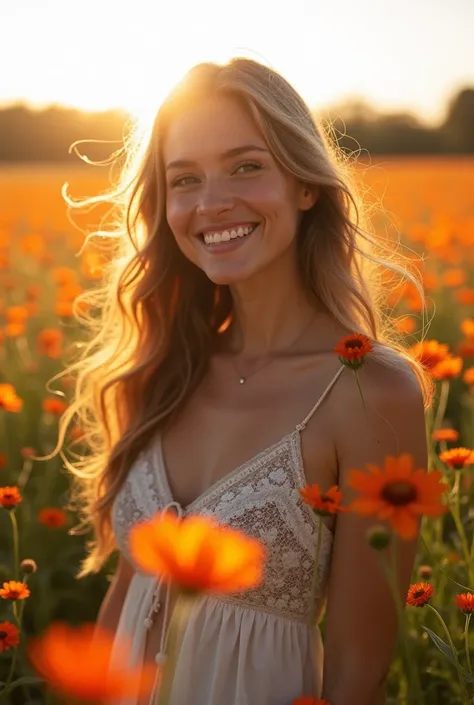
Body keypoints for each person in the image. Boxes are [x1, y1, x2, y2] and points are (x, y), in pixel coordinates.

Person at [58, 57, 431, 705]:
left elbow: (355, 675)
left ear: (305, 185)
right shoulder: (162, 368)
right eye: (185, 180)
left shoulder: (371, 392)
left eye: (246, 166)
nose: (210, 203)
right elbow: (125, 601)